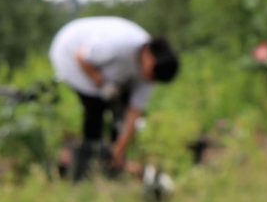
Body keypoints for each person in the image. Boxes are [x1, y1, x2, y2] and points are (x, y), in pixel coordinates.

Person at [49, 16, 180, 181]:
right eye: (150, 75)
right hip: (70, 53)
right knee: (95, 108)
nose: (149, 80)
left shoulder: (151, 73)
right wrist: (101, 83)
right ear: (150, 59)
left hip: (110, 74)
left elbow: (134, 112)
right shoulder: (119, 44)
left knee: (120, 115)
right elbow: (81, 56)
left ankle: (112, 162)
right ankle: (89, 163)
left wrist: (120, 147)